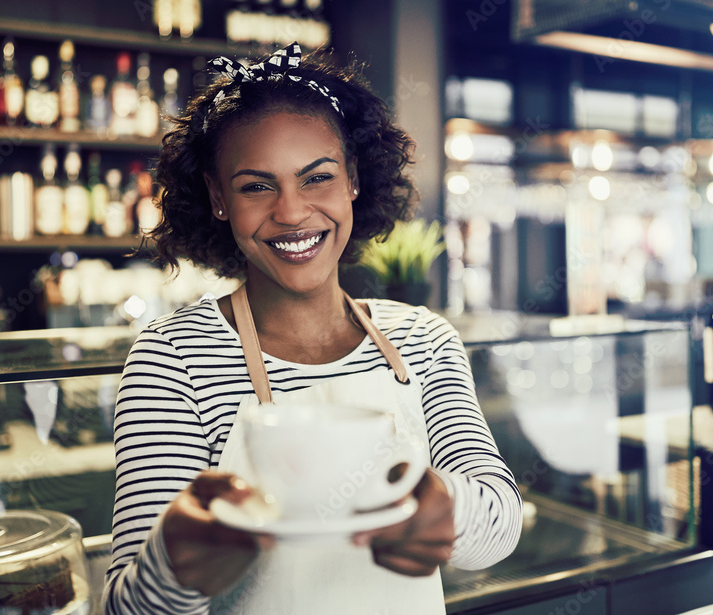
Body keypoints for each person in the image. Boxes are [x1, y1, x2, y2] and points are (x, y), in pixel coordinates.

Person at [103, 42, 522, 614]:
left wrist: (443, 509)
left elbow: (499, 526)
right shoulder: (172, 357)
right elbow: (127, 607)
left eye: (316, 178)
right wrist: (174, 568)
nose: (292, 211)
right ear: (219, 198)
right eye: (256, 186)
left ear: (352, 179)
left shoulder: (423, 340)